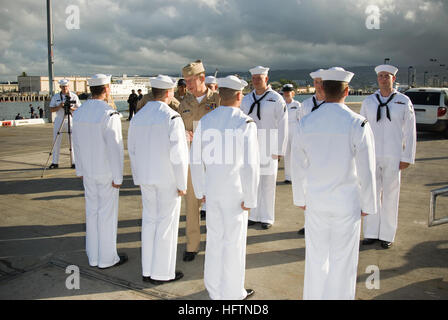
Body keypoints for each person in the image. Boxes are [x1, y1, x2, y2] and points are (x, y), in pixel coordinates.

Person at [291, 67, 377, 300]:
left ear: (323, 89)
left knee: (316, 258)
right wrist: (369, 205)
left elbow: (297, 165)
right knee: (343, 261)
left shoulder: (305, 122)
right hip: (346, 204)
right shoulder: (357, 123)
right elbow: (367, 171)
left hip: (316, 202)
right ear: (347, 90)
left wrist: (300, 198)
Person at [190, 75, 259, 300]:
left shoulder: (207, 121)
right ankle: (233, 293)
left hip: (212, 192)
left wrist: (200, 191)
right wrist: (250, 198)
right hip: (235, 194)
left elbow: (195, 160)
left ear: (220, 95)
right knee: (234, 244)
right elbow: (250, 166)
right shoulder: (245, 123)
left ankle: (214, 289)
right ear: (240, 96)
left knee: (215, 241)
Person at [128, 75, 189, 284]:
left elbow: (132, 151)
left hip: (146, 178)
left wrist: (138, 177)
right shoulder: (172, 118)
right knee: (166, 225)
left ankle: (148, 269)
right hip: (167, 179)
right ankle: (162, 272)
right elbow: (179, 155)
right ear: (170, 93)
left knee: (149, 222)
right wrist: (182, 183)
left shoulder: (138, 117)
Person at [72, 74, 127, 269]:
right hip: (106, 173)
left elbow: (75, 144)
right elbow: (115, 147)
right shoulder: (109, 114)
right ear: (106, 90)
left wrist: (79, 169)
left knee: (92, 213)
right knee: (106, 216)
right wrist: (118, 176)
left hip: (88, 171)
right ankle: (106, 258)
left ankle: (93, 256)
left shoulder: (78, 113)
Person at [360, 64, 417, 249]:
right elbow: (361, 129)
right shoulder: (369, 101)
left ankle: (387, 234)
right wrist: (360, 154)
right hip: (372, 154)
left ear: (393, 79)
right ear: (377, 79)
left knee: (391, 195)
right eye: (381, 76)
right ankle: (370, 232)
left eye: (387, 76)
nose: (384, 79)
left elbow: (410, 131)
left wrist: (407, 156)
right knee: (371, 193)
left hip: (393, 154)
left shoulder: (403, 101)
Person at [178, 59, 221, 262]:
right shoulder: (183, 103)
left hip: (214, 160)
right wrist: (183, 134)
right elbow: (176, 130)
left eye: (191, 81)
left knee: (215, 202)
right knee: (192, 204)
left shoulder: (218, 100)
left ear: (202, 78)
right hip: (191, 160)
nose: (188, 85)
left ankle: (216, 243)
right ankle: (192, 245)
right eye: (186, 81)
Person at [241, 66, 288, 230]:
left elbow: (283, 124)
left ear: (266, 79)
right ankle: (253, 215)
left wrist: (279, 150)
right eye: (253, 78)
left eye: (259, 78)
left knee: (267, 183)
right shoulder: (246, 99)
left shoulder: (276, 99)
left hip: (269, 145)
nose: (255, 81)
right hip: (251, 145)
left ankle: (267, 217)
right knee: (252, 181)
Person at [296, 69, 326, 236]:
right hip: (308, 154)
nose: (319, 86)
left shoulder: (331, 105)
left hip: (325, 155)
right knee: (308, 191)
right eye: (316, 82)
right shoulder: (305, 105)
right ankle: (310, 224)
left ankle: (322, 224)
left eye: (322, 82)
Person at [48, 79, 81, 169]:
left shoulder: (74, 96)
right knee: (56, 140)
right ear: (60, 87)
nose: (64, 88)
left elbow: (80, 109)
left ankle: (74, 162)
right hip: (59, 119)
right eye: (63, 87)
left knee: (73, 141)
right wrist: (59, 106)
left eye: (66, 86)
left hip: (70, 118)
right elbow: (51, 109)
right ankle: (55, 162)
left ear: (68, 87)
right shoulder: (55, 97)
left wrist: (71, 109)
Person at [282, 84, 301, 184]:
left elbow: (301, 119)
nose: (286, 94)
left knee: (295, 154)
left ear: (292, 93)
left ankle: (296, 176)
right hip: (285, 129)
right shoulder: (281, 104)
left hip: (294, 129)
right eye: (285, 92)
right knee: (287, 154)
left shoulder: (297, 104)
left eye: (288, 92)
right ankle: (288, 177)